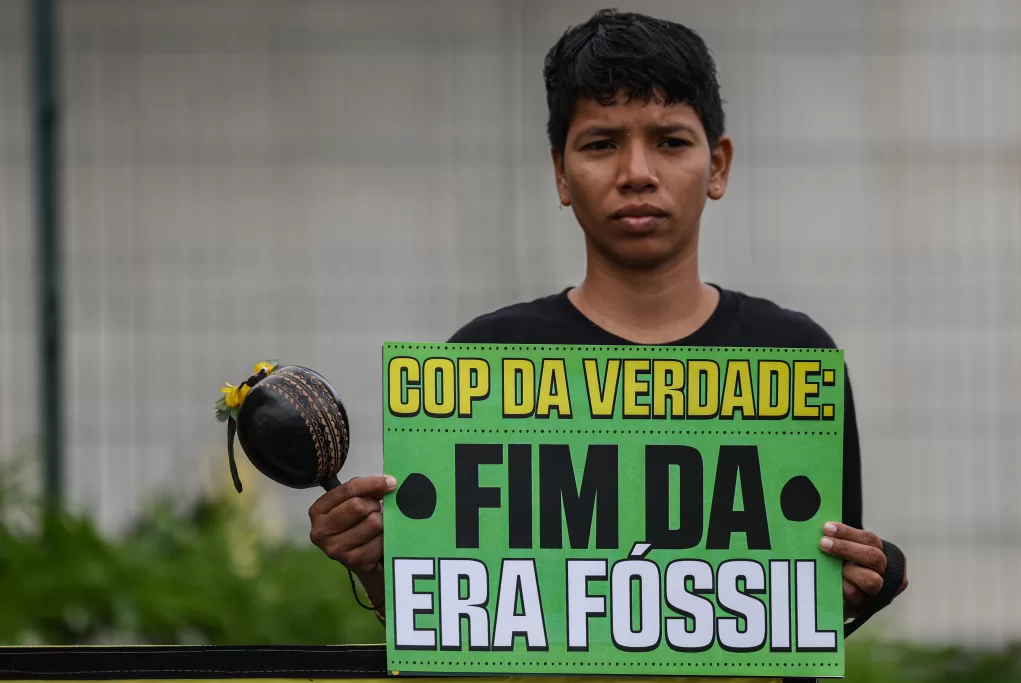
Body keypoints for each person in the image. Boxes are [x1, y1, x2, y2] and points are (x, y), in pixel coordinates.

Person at [307, 6, 908, 669]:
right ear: (562, 173)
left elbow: (810, 603)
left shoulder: (795, 357)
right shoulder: (487, 361)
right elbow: (458, 623)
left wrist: (861, 580)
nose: (637, 172)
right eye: (601, 144)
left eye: (671, 141)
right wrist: (375, 564)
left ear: (719, 164)